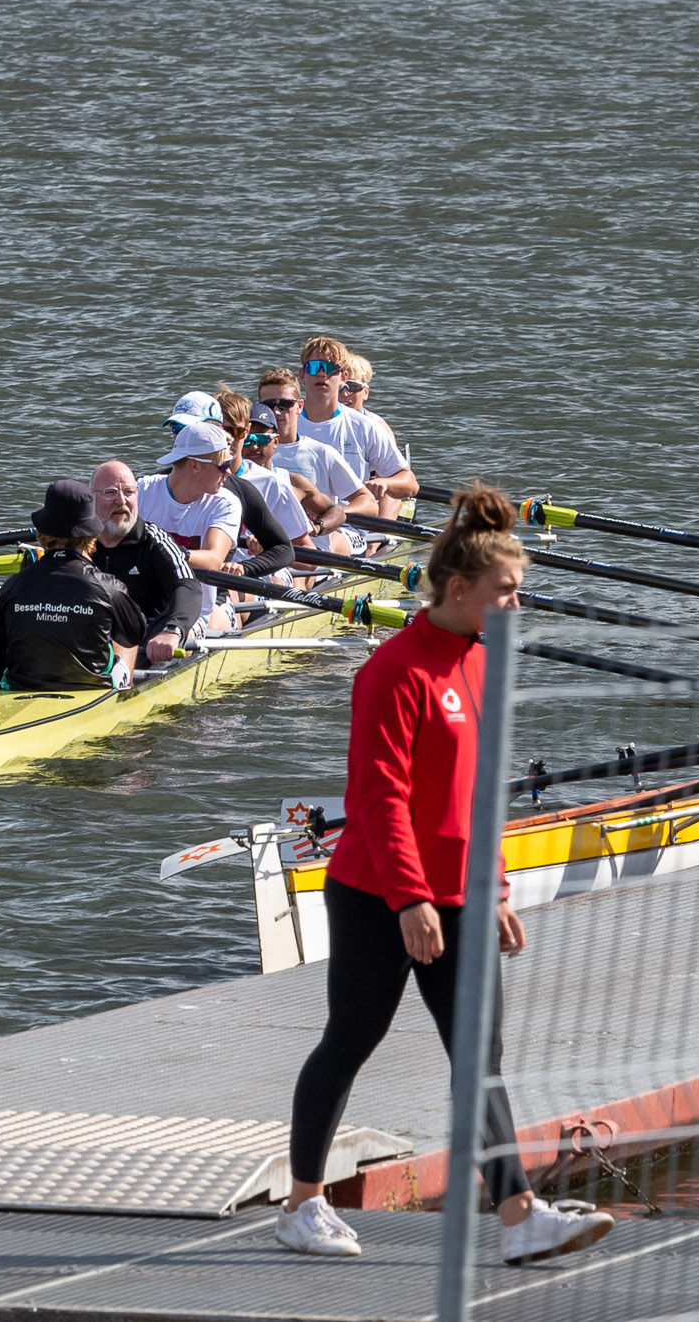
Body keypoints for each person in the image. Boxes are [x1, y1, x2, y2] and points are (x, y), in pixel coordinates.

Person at [275, 486, 612, 1266]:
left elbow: (481, 788)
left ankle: (520, 1216)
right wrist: (410, 899)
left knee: (479, 1060)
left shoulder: (484, 663)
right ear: (458, 590)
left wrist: (490, 891)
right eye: (505, 591)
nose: (517, 602)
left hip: (456, 896)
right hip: (375, 894)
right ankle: (301, 1204)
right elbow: (377, 798)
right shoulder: (393, 672)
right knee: (350, 1039)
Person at [0, 478, 145, 691]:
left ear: (42, 531)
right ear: (92, 534)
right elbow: (136, 635)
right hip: (90, 690)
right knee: (125, 646)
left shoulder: (13, 585)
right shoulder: (109, 587)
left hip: (23, 686)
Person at [89, 460, 200, 664]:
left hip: (151, 645)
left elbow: (187, 585)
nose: (121, 501)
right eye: (111, 492)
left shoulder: (154, 540)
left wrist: (173, 630)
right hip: (97, 640)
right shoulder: (80, 542)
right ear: (91, 499)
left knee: (187, 632)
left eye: (129, 492)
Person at [140, 418, 245, 631]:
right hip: (143, 607)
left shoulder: (224, 503)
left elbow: (214, 559)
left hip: (195, 614)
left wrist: (170, 552)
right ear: (195, 466)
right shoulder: (142, 491)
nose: (229, 472)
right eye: (224, 465)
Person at [297, 335, 415, 508]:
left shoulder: (365, 427)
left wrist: (385, 483)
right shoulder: (285, 421)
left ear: (343, 377)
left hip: (349, 523)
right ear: (302, 375)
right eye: (314, 367)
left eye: (330, 369)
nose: (322, 374)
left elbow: (410, 483)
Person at [258, 365, 375, 531]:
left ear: (299, 406)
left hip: (314, 542)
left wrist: (331, 516)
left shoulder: (321, 452)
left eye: (284, 404)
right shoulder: (250, 452)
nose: (276, 412)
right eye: (269, 405)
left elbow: (369, 503)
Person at [214, 386, 309, 576]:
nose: (229, 440)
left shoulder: (271, 483)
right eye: (222, 432)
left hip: (265, 571)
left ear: (247, 431)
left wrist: (267, 546)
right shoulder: (195, 481)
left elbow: (309, 560)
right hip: (213, 570)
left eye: (237, 432)